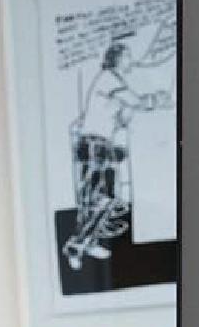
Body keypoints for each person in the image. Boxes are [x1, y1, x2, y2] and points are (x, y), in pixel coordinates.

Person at [64, 38, 171, 272]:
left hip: (102, 145)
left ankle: (88, 242)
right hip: (95, 144)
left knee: (106, 197)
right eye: (128, 56)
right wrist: (157, 99)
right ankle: (76, 246)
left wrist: (133, 110)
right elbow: (137, 102)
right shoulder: (109, 78)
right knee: (98, 198)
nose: (131, 60)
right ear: (117, 59)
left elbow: (123, 115)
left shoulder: (116, 82)